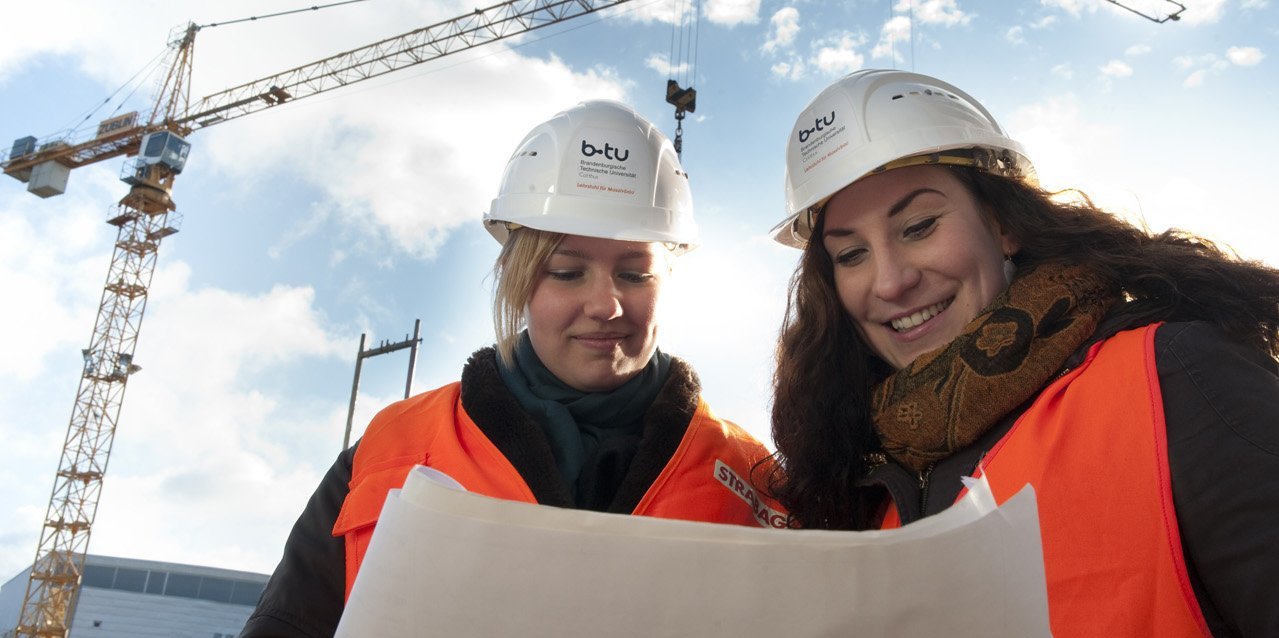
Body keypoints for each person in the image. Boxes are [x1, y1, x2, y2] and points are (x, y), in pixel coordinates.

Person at [765, 69, 1279, 637]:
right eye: (851, 254)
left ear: (1004, 223)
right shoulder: (860, 485)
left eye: (919, 225)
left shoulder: (1175, 378)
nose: (889, 282)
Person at [242, 100, 782, 637]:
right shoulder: (393, 449)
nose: (605, 304)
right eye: (568, 272)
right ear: (519, 282)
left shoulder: (752, 476)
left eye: (635, 275)